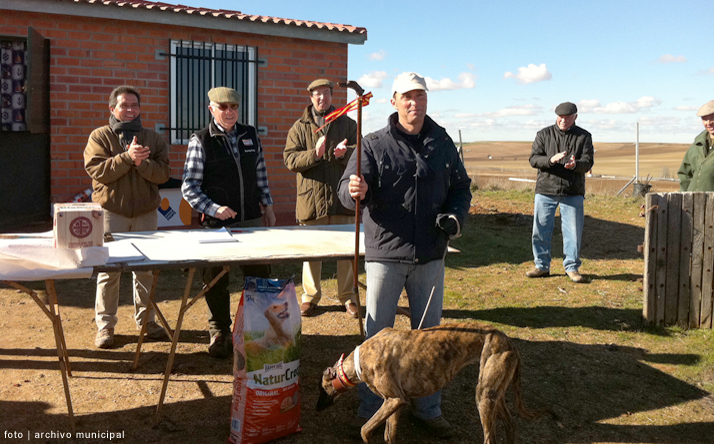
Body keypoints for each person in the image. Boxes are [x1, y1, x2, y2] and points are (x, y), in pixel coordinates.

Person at [337, 72, 472, 438]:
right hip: (385, 255)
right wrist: (354, 191)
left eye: (421, 97)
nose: (415, 104)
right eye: (408, 97)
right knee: (376, 340)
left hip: (430, 255)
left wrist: (456, 217)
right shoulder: (373, 144)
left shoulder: (442, 142)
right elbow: (345, 194)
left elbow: (461, 187)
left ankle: (428, 409)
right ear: (394, 101)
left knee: (429, 340)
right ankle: (370, 409)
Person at [181, 87, 276, 358]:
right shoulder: (201, 140)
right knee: (215, 280)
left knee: (258, 276)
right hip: (216, 225)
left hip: (251, 220)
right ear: (211, 109)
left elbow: (261, 173)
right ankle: (220, 333)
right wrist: (214, 208)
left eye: (233, 106)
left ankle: (258, 331)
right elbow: (189, 187)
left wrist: (267, 205)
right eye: (222, 107)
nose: (229, 111)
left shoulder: (250, 134)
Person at [84, 85, 170, 349]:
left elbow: (163, 174)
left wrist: (142, 163)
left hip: (146, 215)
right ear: (112, 109)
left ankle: (147, 321)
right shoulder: (100, 136)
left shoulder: (153, 139)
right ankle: (106, 327)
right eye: (124, 105)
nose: (130, 110)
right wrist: (126, 158)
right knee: (108, 272)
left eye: (134, 105)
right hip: (112, 214)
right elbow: (97, 171)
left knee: (145, 270)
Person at [283, 79, 359, 318]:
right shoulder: (299, 127)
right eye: (317, 94)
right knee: (312, 253)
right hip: (311, 201)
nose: (322, 98)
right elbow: (290, 160)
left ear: (331, 96)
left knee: (346, 253)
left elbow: (362, 153)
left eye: (326, 94)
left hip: (340, 199)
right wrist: (314, 155)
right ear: (310, 97)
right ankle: (310, 297)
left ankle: (348, 297)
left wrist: (343, 156)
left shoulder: (347, 123)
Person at [526, 102, 594, 283]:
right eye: (560, 117)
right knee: (540, 230)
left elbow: (588, 162)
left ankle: (571, 268)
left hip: (572, 192)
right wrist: (550, 160)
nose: (563, 120)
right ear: (556, 116)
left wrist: (576, 165)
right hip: (545, 190)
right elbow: (533, 160)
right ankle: (541, 266)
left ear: (575, 117)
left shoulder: (584, 137)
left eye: (567, 118)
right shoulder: (543, 134)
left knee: (572, 232)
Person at [677, 100, 714, 191]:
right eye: (705, 119)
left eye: (712, 117)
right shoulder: (697, 145)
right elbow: (685, 175)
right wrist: (683, 196)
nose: (708, 122)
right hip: (693, 201)